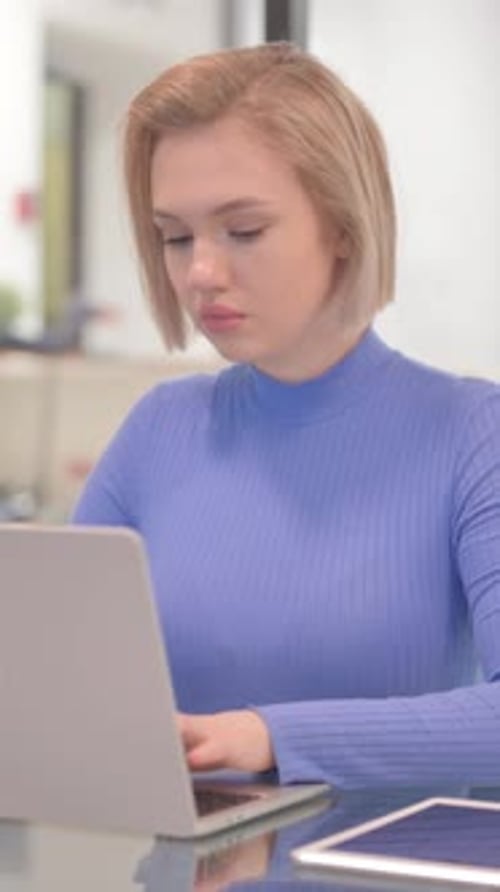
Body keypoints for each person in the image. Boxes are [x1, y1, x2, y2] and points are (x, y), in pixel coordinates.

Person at [73, 42, 500, 790]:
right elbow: (50, 674)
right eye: (175, 237)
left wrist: (270, 735)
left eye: (243, 231)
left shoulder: (472, 434)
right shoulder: (158, 429)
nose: (200, 272)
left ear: (342, 224)